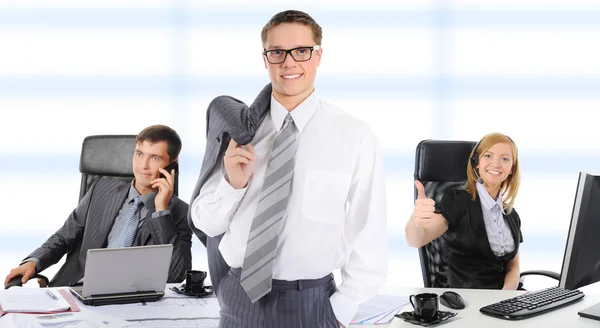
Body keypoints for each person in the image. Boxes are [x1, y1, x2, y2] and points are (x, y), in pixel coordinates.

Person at [189, 10, 387, 328]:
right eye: (277, 52)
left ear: (318, 56)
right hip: (238, 299)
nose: (289, 62)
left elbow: (370, 233)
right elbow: (205, 222)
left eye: (302, 51)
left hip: (313, 303)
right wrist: (232, 183)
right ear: (265, 59)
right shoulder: (239, 132)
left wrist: (343, 306)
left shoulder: (354, 136)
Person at [4, 125, 192, 287]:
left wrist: (161, 211)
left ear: (171, 165)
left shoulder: (180, 212)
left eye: (155, 158)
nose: (143, 165)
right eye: (139, 154)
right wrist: (33, 262)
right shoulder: (101, 189)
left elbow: (175, 276)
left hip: (130, 301)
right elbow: (64, 236)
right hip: (75, 289)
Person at [405, 132, 522, 290]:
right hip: (464, 300)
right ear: (476, 163)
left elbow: (513, 268)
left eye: (505, 158)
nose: (496, 163)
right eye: (488, 156)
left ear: (511, 169)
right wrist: (415, 220)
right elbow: (417, 240)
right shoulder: (457, 201)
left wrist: (505, 296)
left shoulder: (511, 216)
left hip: (500, 300)